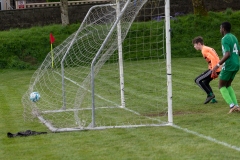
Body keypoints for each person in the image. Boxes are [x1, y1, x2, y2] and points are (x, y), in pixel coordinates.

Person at [212, 22, 240, 114]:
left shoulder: (224, 39)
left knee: (221, 86)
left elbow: (227, 54)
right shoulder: (234, 37)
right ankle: (236, 105)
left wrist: (217, 65)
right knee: (228, 85)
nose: (220, 30)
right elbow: (238, 52)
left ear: (223, 29)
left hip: (229, 65)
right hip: (236, 64)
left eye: (220, 28)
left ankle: (232, 106)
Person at [192, 36, 221, 104]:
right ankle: (213, 99)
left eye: (195, 45)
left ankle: (210, 95)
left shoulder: (204, 50)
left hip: (214, 69)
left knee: (197, 80)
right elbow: (215, 58)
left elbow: (213, 59)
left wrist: (213, 71)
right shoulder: (207, 48)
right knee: (205, 82)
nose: (194, 46)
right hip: (217, 68)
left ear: (199, 44)